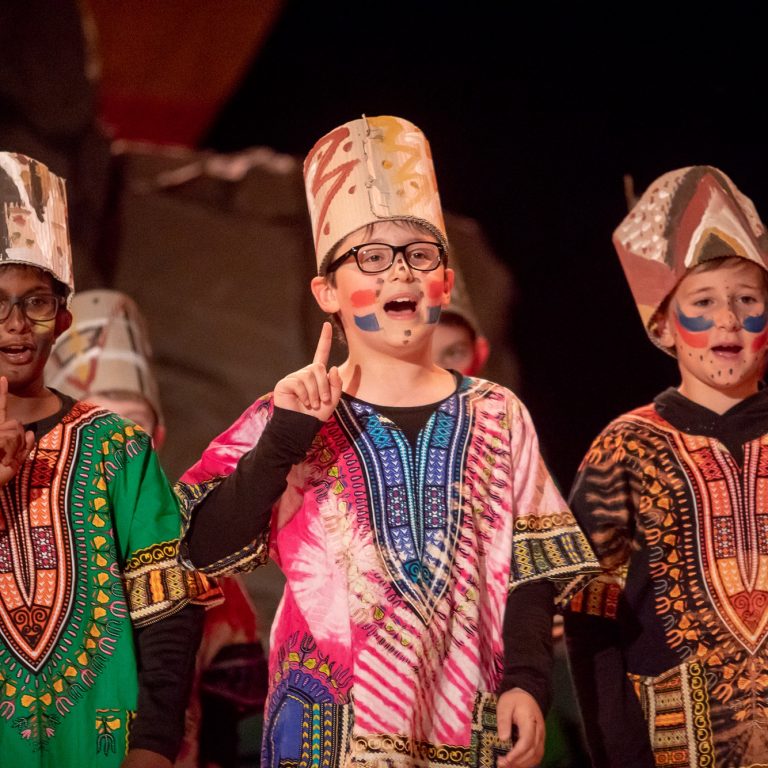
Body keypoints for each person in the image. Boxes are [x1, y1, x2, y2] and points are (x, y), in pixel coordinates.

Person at [176, 114, 598, 768]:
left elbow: (533, 564)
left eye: (419, 254)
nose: (400, 272)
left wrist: (526, 680)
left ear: (445, 282)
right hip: (327, 735)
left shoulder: (496, 413)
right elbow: (199, 552)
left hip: (465, 725)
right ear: (327, 290)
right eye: (372, 256)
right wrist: (285, 439)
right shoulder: (285, 413)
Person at [0, 151, 217, 767]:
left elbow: (167, 608)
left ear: (61, 319)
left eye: (35, 303)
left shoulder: (117, 446)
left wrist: (153, 745)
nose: (15, 324)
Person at [565, 165, 768, 766]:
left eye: (748, 299)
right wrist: (615, 746)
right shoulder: (624, 446)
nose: (728, 318)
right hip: (676, 746)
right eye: (703, 302)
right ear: (663, 325)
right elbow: (588, 606)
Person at [45, 288, 267, 768]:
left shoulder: (211, 574)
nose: (113, 444)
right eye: (91, 426)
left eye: (132, 428)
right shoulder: (18, 547)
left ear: (157, 438)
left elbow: (240, 734)